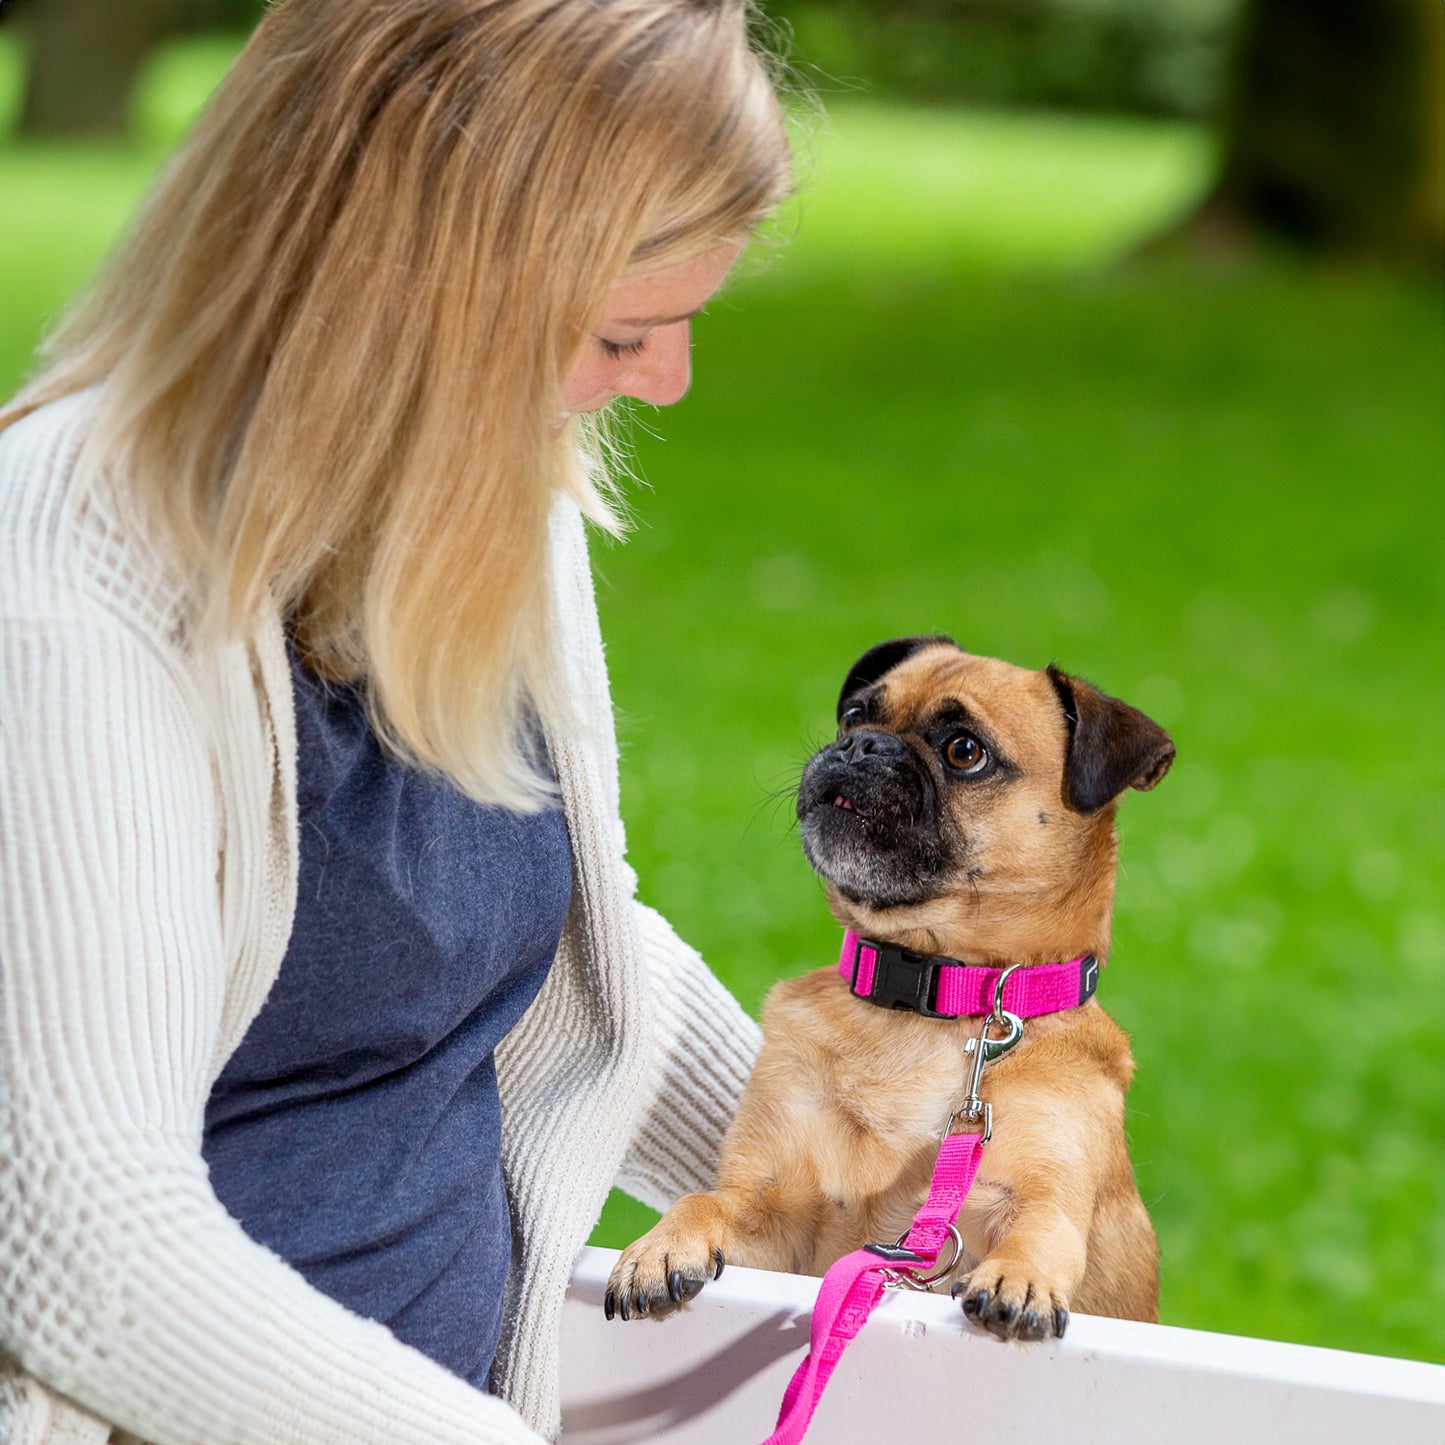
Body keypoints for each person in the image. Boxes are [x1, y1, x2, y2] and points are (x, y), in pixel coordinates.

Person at [0, 1, 793, 1441]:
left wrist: (874, 1184)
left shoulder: (483, 485)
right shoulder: (65, 585)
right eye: (623, 328)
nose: (665, 379)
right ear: (420, 288)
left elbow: (559, 946)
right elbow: (81, 1246)